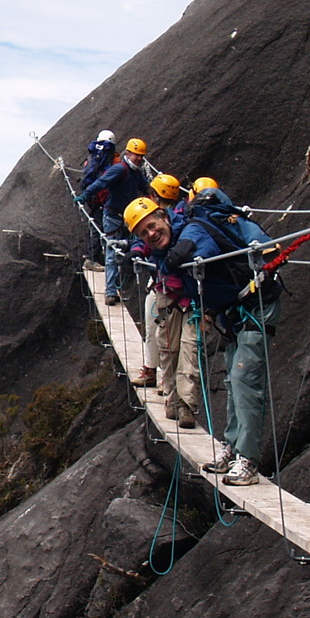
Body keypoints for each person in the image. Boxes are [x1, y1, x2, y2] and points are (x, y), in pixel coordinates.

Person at [169, 178, 282, 486]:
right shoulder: (227, 219)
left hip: (255, 305)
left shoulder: (201, 225)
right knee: (234, 377)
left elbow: (192, 252)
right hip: (242, 306)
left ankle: (247, 460)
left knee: (245, 380)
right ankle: (233, 447)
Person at [123, 195, 201, 426]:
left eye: (152, 226)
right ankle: (172, 399)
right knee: (167, 349)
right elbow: (140, 243)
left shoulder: (187, 228)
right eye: (143, 232)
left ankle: (186, 407)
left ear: (163, 217)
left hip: (194, 298)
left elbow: (200, 240)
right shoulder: (151, 239)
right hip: (167, 295)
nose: (151, 234)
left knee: (190, 349)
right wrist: (137, 251)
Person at [72, 138, 153, 304]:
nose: (139, 158)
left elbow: (145, 188)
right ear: (128, 153)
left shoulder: (136, 172)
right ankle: (110, 292)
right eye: (136, 155)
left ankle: (118, 287)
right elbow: (101, 182)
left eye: (141, 156)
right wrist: (85, 195)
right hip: (113, 217)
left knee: (130, 251)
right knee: (112, 253)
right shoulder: (119, 169)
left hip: (129, 218)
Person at [78, 130, 118, 265]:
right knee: (100, 228)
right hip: (104, 198)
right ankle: (92, 259)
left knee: (96, 226)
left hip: (92, 197)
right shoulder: (111, 160)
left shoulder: (91, 158)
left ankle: (94, 255)